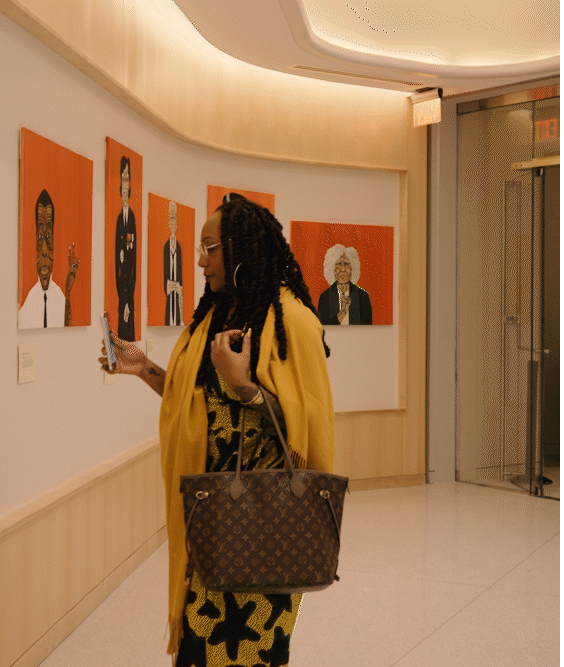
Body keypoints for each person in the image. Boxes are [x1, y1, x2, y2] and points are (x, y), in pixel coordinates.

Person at [98, 194, 335, 665]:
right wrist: (145, 368)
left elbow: (305, 434)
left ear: (240, 247)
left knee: (251, 654)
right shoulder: (210, 319)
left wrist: (243, 385)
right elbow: (196, 404)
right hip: (208, 527)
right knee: (196, 651)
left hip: (266, 535)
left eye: (210, 248)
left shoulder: (296, 324)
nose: (200, 261)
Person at [19, 189, 80, 328]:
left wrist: (68, 292)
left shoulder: (60, 297)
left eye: (49, 237)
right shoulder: (28, 303)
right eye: (40, 238)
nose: (45, 252)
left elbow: (68, 336)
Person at [317, 245, 372, 325]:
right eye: (338, 264)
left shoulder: (363, 297)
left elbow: (368, 330)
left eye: (346, 264)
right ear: (332, 267)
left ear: (352, 267)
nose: (342, 269)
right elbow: (323, 327)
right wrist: (342, 313)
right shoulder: (325, 297)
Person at [114, 156, 137, 340]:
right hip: (121, 287)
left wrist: (129, 296)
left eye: (127, 180)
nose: (124, 185)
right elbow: (117, 260)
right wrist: (123, 297)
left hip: (129, 287)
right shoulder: (118, 220)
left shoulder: (133, 219)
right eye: (122, 180)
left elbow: (133, 260)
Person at [163, 200, 183, 326]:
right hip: (170, 286)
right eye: (171, 219)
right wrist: (169, 285)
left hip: (177, 287)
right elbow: (165, 268)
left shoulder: (179, 247)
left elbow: (180, 269)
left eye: (175, 219)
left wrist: (179, 286)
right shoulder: (166, 246)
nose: (173, 223)